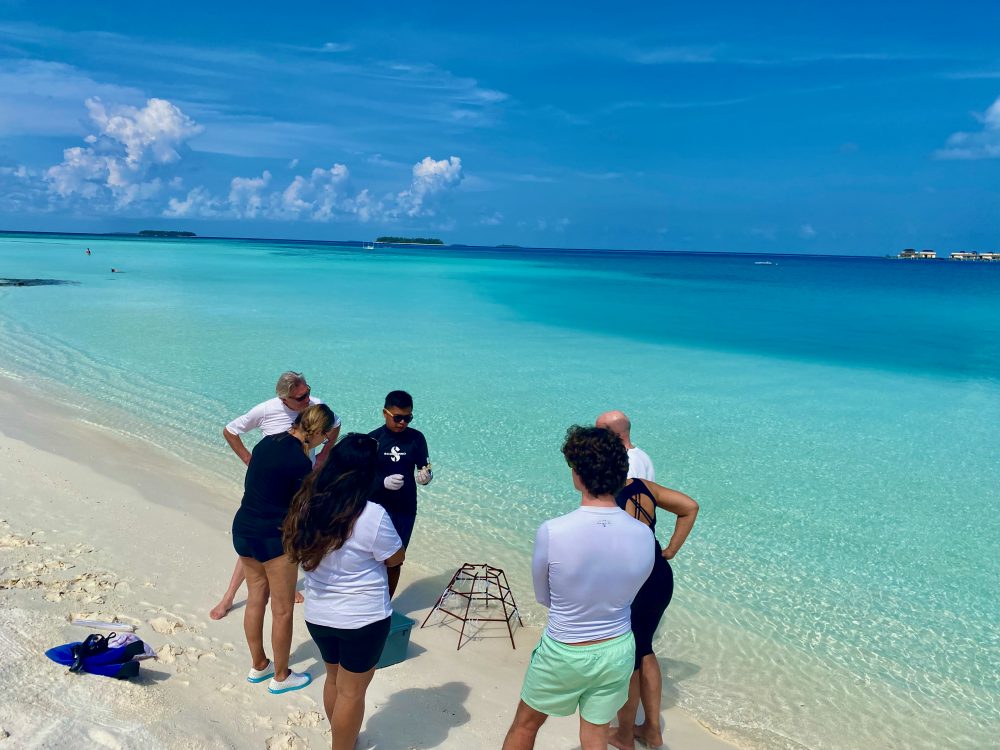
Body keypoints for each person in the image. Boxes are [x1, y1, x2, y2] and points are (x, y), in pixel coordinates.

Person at [502, 425, 655, 750]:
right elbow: (634, 589)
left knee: (525, 725)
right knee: (597, 733)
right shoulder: (644, 535)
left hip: (566, 649)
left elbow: (544, 597)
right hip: (617, 649)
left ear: (577, 474)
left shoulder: (553, 531)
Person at [283, 433, 405, 750]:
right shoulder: (372, 515)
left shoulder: (306, 504)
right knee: (353, 693)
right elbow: (396, 559)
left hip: (319, 615)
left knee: (334, 680)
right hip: (363, 619)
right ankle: (343, 745)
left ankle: (343, 740)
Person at [212, 371, 340, 620]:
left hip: (300, 480)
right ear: (284, 399)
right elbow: (230, 431)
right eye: (301, 397)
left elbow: (335, 424)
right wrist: (250, 460)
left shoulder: (316, 406)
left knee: (289, 535)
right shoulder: (265, 410)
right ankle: (229, 597)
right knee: (256, 542)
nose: (307, 399)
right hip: (267, 487)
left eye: (308, 392)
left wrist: (324, 454)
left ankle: (287, 583)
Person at [235, 403, 336, 694]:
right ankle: (281, 676)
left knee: (256, 599)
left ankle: (258, 665)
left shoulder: (267, 441)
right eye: (325, 437)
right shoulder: (300, 462)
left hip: (243, 528)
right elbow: (300, 507)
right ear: (315, 431)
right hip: (273, 537)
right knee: (282, 610)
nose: (324, 442)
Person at [609, 478, 698, 750]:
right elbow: (690, 507)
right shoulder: (643, 486)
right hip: (660, 576)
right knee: (643, 647)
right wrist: (670, 550)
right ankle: (652, 730)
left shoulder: (604, 496)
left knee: (628, 658)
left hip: (635, 583)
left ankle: (624, 736)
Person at [368, 390, 431, 598]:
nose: (403, 422)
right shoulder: (372, 440)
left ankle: (386, 604)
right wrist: (381, 483)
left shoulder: (416, 439)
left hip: (405, 509)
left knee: (395, 561)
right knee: (370, 558)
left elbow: (424, 468)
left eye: (408, 418)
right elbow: (358, 479)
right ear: (385, 413)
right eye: (398, 417)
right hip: (375, 508)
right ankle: (367, 599)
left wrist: (426, 477)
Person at [596, 411, 654, 482]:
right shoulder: (642, 455)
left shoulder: (623, 462)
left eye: (599, 433)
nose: (595, 437)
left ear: (614, 434)